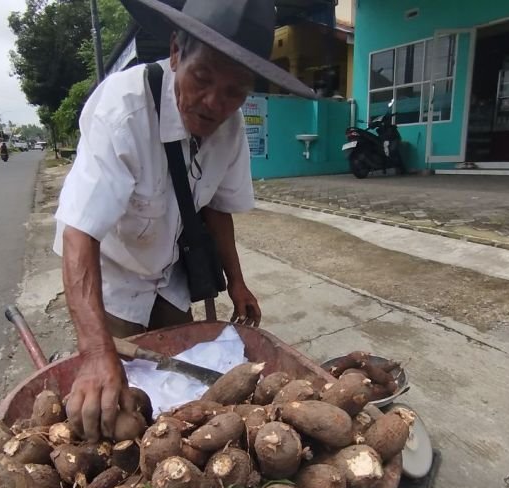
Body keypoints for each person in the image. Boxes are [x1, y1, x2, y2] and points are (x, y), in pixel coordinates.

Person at [53, 0, 315, 441]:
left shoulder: (229, 132)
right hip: (114, 283)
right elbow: (79, 230)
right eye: (203, 78)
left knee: (178, 389)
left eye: (234, 92)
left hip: (168, 274)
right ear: (176, 52)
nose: (214, 103)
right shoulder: (123, 111)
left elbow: (216, 207)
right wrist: (96, 351)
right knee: (119, 405)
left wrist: (237, 281)